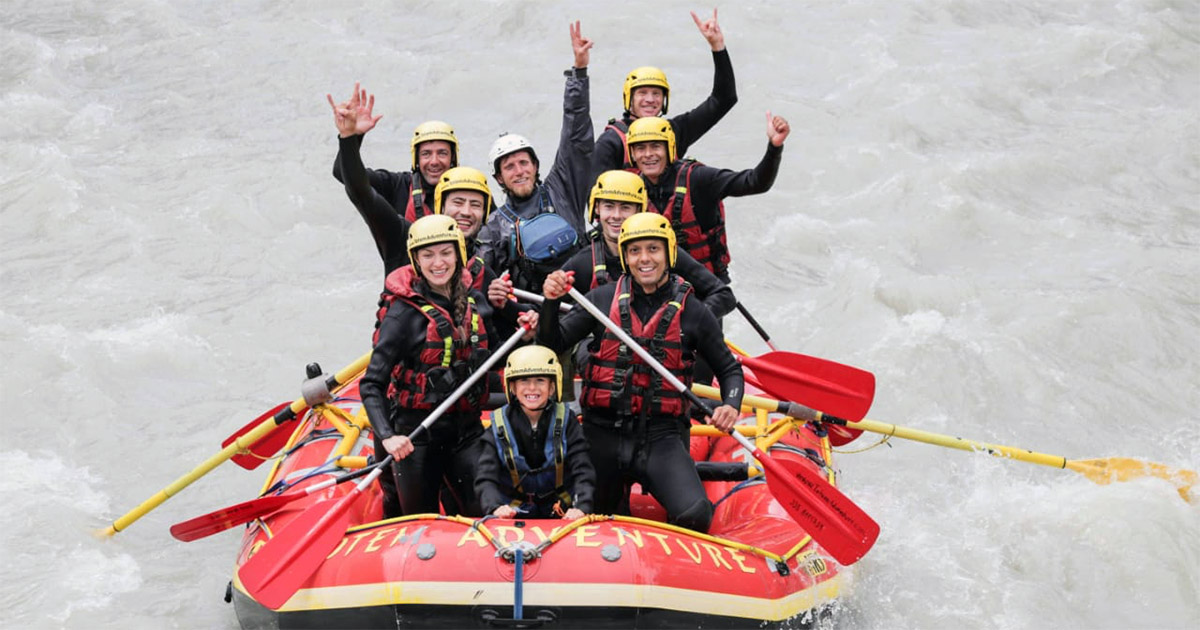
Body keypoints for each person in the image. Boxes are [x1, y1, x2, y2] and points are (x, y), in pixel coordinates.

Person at [536, 213, 744, 534]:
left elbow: (729, 369)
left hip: (661, 438)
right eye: (634, 251)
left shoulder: (693, 312)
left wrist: (731, 404)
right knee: (566, 515)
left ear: (669, 254)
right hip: (601, 435)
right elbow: (552, 343)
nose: (644, 259)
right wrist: (550, 304)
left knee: (694, 515)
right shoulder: (600, 300)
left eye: (653, 249)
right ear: (625, 256)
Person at [360, 215, 535, 519]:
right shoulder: (402, 316)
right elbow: (372, 384)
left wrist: (524, 331)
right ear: (416, 260)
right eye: (428, 255)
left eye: (445, 253)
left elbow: (492, 361)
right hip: (415, 438)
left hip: (465, 432)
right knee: (418, 522)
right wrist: (388, 436)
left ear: (459, 254)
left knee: (488, 513)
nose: (437, 263)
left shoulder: (475, 302)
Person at [476, 20, 595, 278]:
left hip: (585, 292)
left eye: (523, 163)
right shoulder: (494, 228)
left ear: (535, 166)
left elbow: (575, 135)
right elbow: (482, 279)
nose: (519, 171)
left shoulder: (562, 188)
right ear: (499, 178)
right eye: (509, 167)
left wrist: (579, 72)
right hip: (537, 308)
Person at [626, 113, 790, 284]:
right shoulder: (631, 188)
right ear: (632, 154)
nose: (648, 154)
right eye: (640, 148)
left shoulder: (699, 179)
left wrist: (774, 147)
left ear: (669, 148)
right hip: (657, 286)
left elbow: (755, 182)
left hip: (707, 286)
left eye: (655, 147)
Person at [562, 170, 735, 318]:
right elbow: (542, 302)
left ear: (639, 210)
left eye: (625, 208)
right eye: (609, 206)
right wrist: (535, 311)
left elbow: (723, 295)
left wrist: (689, 323)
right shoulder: (584, 260)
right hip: (613, 349)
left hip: (666, 346)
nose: (616, 216)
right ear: (597, 209)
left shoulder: (665, 253)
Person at [592, 9, 737, 180]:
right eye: (642, 93)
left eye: (656, 94)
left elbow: (724, 99)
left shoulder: (674, 131)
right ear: (629, 99)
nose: (650, 100)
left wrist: (717, 46)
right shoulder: (610, 142)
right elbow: (595, 195)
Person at [475, 345, 595, 520]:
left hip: (560, 511)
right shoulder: (499, 423)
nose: (532, 388)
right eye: (524, 381)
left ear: (552, 387)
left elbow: (583, 469)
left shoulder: (567, 421)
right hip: (513, 512)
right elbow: (485, 477)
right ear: (513, 387)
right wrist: (494, 507)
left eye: (540, 380)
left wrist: (582, 506)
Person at [328, 82, 457, 222]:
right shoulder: (397, 185)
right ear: (416, 159)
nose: (434, 161)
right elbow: (342, 172)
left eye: (442, 153)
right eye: (426, 154)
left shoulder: (469, 191)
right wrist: (352, 135)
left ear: (453, 158)